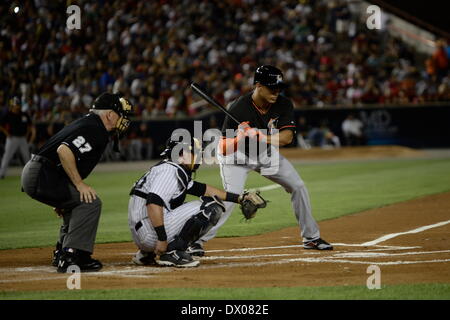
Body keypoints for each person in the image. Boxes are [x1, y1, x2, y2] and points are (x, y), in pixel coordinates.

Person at [187, 65, 333, 257]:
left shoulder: (283, 104)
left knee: (298, 186)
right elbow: (222, 148)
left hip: (264, 154)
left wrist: (260, 137)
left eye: (279, 87)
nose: (276, 91)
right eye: (272, 87)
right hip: (236, 157)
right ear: (258, 86)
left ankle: (311, 238)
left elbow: (287, 137)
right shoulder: (238, 108)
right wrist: (240, 137)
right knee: (231, 198)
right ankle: (195, 241)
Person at [21, 92, 133, 273]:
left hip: (41, 172)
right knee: (90, 202)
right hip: (42, 173)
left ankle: (62, 252)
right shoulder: (95, 127)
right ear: (110, 115)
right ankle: (73, 256)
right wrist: (79, 184)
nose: (124, 121)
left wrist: (61, 196)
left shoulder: (89, 123)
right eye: (122, 115)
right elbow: (64, 151)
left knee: (74, 204)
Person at [128, 136, 264, 267]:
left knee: (194, 204)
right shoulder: (170, 170)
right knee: (212, 207)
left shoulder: (168, 167)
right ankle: (174, 252)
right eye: (194, 153)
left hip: (143, 232)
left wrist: (239, 198)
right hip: (150, 234)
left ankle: (146, 254)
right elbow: (153, 203)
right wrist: (162, 239)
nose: (198, 157)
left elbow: (203, 189)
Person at [0, 97, 35, 179]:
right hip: (12, 138)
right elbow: (1, 126)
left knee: (26, 156)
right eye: (15, 105)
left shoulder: (23, 114)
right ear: (12, 106)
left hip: (22, 138)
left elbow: (30, 125)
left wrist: (27, 134)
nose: (17, 106)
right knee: (7, 156)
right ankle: (2, 174)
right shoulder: (8, 114)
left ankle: (29, 174)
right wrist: (7, 133)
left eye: (18, 104)